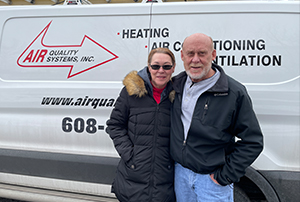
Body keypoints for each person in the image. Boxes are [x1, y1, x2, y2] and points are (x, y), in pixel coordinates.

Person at [170, 33, 263, 202]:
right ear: (182, 56)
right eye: (190, 53)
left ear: (213, 55)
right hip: (180, 174)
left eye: (202, 53)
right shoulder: (175, 85)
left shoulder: (234, 92)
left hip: (211, 180)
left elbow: (253, 141)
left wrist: (226, 176)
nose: (195, 59)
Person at [106, 48, 176, 202]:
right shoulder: (131, 93)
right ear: (148, 67)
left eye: (166, 66)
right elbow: (115, 125)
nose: (161, 71)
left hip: (165, 180)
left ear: (173, 68)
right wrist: (130, 155)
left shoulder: (178, 96)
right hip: (132, 179)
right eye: (156, 66)